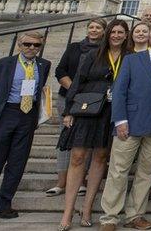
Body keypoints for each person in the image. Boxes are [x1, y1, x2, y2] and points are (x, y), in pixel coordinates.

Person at [100, 22, 151, 231]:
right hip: (129, 124)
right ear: (149, 37)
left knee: (147, 173)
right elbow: (119, 91)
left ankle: (135, 215)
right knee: (118, 171)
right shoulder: (131, 60)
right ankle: (110, 217)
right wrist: (120, 120)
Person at [0, 32, 52, 224]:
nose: (32, 48)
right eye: (27, 44)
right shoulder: (1, 65)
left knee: (17, 163)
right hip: (5, 113)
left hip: (27, 116)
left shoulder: (44, 65)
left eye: (36, 45)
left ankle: (4, 204)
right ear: (19, 45)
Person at [58, 20, 131, 230]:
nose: (116, 35)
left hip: (112, 112)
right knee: (78, 157)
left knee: (100, 157)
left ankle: (87, 207)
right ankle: (68, 212)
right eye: (113, 32)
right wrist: (68, 110)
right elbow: (78, 80)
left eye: (120, 32)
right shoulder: (94, 54)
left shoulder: (130, 58)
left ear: (126, 35)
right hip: (88, 109)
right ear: (107, 34)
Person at [50, 18, 105, 197]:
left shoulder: (104, 51)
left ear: (104, 31)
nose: (94, 30)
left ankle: (81, 180)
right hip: (67, 97)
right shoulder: (74, 47)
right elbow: (60, 71)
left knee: (85, 140)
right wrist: (74, 88)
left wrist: (82, 92)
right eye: (91, 27)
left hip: (91, 101)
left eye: (98, 27)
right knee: (66, 138)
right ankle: (61, 181)